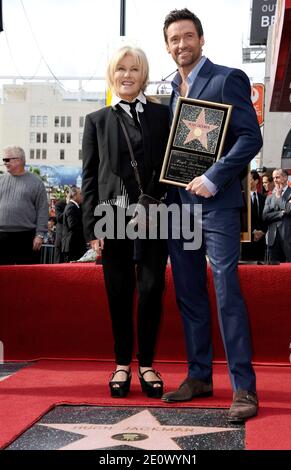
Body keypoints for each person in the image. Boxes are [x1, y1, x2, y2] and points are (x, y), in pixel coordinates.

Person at [161, 9, 263, 423]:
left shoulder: (226, 78)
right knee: (189, 294)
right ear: (168, 46)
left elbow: (250, 137)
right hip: (180, 209)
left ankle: (244, 389)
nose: (181, 44)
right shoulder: (169, 90)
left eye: (187, 36)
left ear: (201, 40)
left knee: (226, 292)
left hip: (216, 204)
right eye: (173, 39)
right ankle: (200, 376)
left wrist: (214, 177)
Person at [82, 46, 170, 398]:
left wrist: (151, 197)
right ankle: (122, 364)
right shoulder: (97, 120)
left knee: (151, 290)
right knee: (118, 292)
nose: (127, 75)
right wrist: (91, 229)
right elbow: (89, 177)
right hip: (111, 215)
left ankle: (146, 363)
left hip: (155, 215)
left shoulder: (162, 116)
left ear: (143, 74)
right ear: (112, 75)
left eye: (135, 69)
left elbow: (168, 165)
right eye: (121, 69)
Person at [0, 146, 48, 265]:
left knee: (28, 276)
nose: (4, 163)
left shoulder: (36, 182)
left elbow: (42, 210)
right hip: (1, 236)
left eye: (7, 159)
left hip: (27, 237)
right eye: (3, 160)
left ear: (19, 160)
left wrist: (40, 235)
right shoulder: (1, 181)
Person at [262, 168, 291, 262]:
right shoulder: (269, 196)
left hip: (289, 238)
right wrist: (281, 213)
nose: (275, 180)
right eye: (273, 178)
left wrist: (279, 197)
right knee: (273, 272)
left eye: (277, 177)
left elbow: (290, 209)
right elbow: (265, 216)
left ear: (285, 177)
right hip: (272, 239)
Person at [241, 170, 267, 261]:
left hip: (261, 240)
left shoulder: (263, 198)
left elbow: (266, 217)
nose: (248, 181)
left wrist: (262, 231)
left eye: (250, 179)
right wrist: (253, 231)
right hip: (246, 239)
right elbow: (241, 217)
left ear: (256, 181)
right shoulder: (242, 197)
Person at [61, 185, 86, 262]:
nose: (82, 196)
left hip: (75, 245)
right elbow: (73, 225)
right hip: (72, 246)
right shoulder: (71, 207)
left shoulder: (75, 206)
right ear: (74, 196)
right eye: (80, 194)